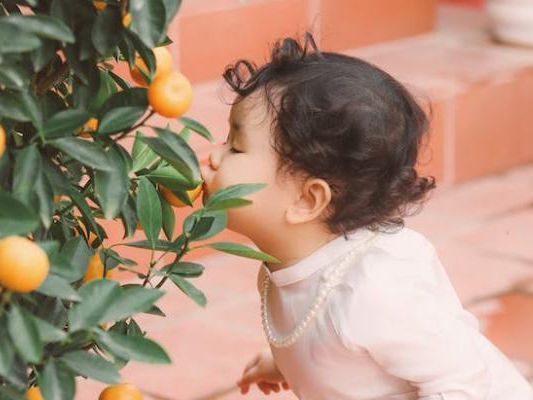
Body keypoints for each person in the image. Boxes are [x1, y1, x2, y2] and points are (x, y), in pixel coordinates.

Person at [199, 32, 533, 399]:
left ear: (307, 200)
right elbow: (332, 344)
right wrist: (291, 363)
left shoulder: (373, 290)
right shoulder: (292, 263)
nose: (214, 157)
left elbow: (462, 383)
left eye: (236, 147)